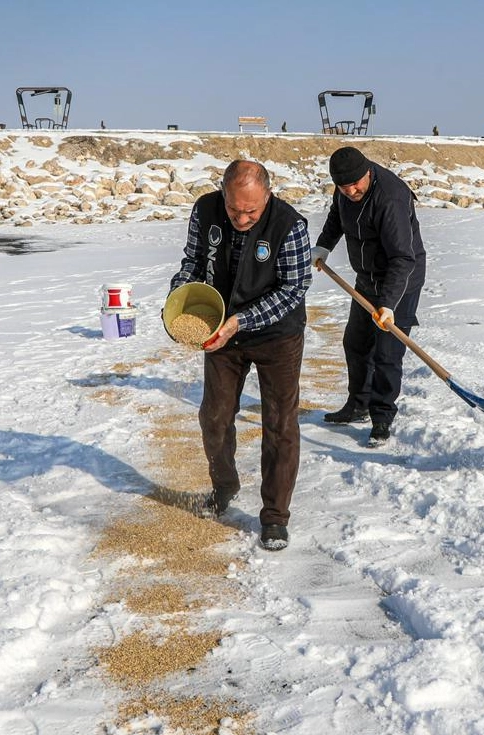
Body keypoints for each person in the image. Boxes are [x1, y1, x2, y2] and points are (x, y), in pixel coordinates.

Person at [167, 160, 312, 550]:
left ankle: (275, 517)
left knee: (279, 424)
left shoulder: (290, 225)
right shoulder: (205, 210)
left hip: (276, 335)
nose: (242, 217)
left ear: (267, 194)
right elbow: (193, 263)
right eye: (234, 209)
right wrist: (180, 299)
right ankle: (224, 486)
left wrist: (241, 320)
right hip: (220, 331)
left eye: (252, 210)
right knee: (214, 415)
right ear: (223, 194)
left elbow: (294, 288)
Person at [312, 146, 427, 447]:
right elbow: (337, 216)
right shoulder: (345, 190)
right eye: (343, 186)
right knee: (356, 341)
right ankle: (358, 404)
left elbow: (402, 259)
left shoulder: (390, 198)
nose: (351, 191)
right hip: (367, 277)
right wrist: (324, 245)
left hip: (400, 278)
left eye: (355, 185)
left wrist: (388, 304)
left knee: (387, 352)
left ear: (368, 172)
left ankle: (381, 417)